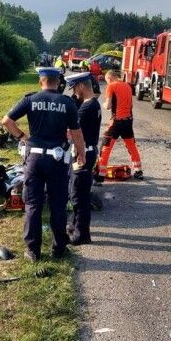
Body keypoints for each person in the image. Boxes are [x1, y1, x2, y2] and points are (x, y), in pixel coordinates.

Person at [2, 67, 86, 262]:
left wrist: (23, 137)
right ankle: (58, 249)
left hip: (34, 159)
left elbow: (6, 121)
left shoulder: (30, 99)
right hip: (57, 160)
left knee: (33, 205)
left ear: (41, 82)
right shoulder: (66, 103)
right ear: (58, 82)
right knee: (58, 205)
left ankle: (33, 251)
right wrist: (80, 153)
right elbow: (76, 133)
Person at [65, 72, 101, 245]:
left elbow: (72, 132)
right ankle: (73, 224)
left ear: (80, 86)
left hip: (83, 154)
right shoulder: (92, 103)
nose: (73, 93)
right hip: (86, 151)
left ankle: (82, 234)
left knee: (79, 194)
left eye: (74, 88)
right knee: (77, 189)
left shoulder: (86, 108)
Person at [96, 70, 143, 181]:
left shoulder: (111, 86)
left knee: (106, 146)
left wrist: (102, 103)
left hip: (117, 122)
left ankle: (100, 175)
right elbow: (130, 105)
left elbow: (107, 106)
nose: (107, 83)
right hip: (128, 121)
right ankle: (138, 171)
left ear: (109, 78)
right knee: (131, 146)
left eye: (107, 81)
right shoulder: (127, 86)